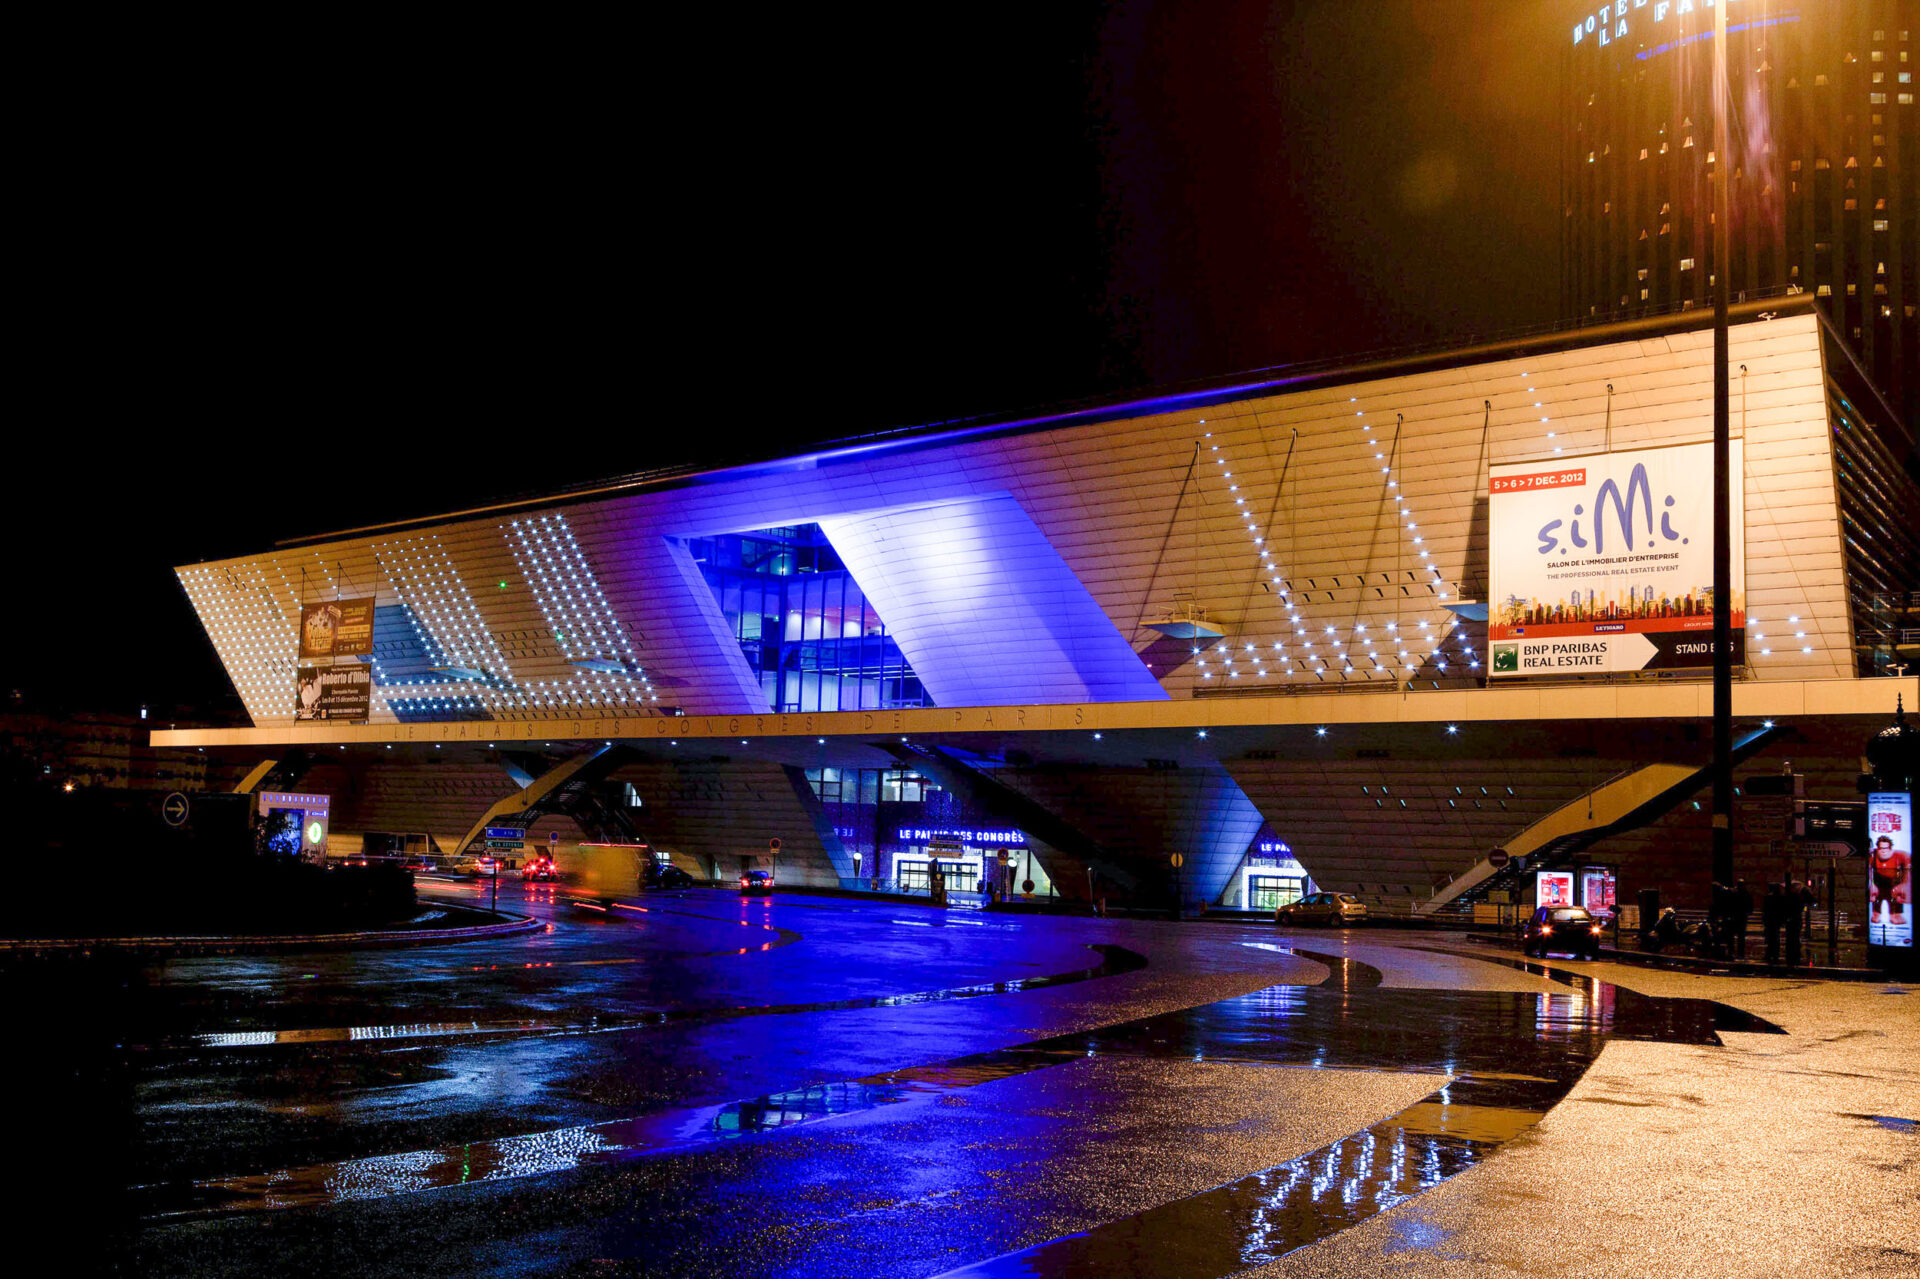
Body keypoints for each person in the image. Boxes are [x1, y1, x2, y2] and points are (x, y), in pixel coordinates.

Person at [1870, 835, 1911, 931]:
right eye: (1881, 848)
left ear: (1890, 848)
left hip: (1894, 884)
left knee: (1895, 900)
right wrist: (1871, 884)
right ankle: (1876, 913)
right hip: (1878, 883)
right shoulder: (1873, 856)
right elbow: (1868, 871)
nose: (1883, 851)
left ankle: (1895, 914)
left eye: (1886, 848)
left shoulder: (1900, 855)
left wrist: (1905, 884)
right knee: (1876, 902)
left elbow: (1907, 868)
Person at [1761, 881, 1785, 965]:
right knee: (1775, 938)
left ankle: (1769, 954)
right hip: (1776, 920)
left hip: (1770, 920)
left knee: (1770, 938)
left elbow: (1764, 909)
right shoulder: (1780, 897)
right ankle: (1775, 954)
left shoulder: (1768, 897)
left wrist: (1764, 919)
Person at [1732, 878, 1754, 960]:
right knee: (1740, 936)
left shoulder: (1738, 893)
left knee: (1739, 936)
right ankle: (1739, 953)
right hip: (1739, 916)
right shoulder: (1744, 893)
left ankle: (1738, 953)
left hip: (1738, 916)